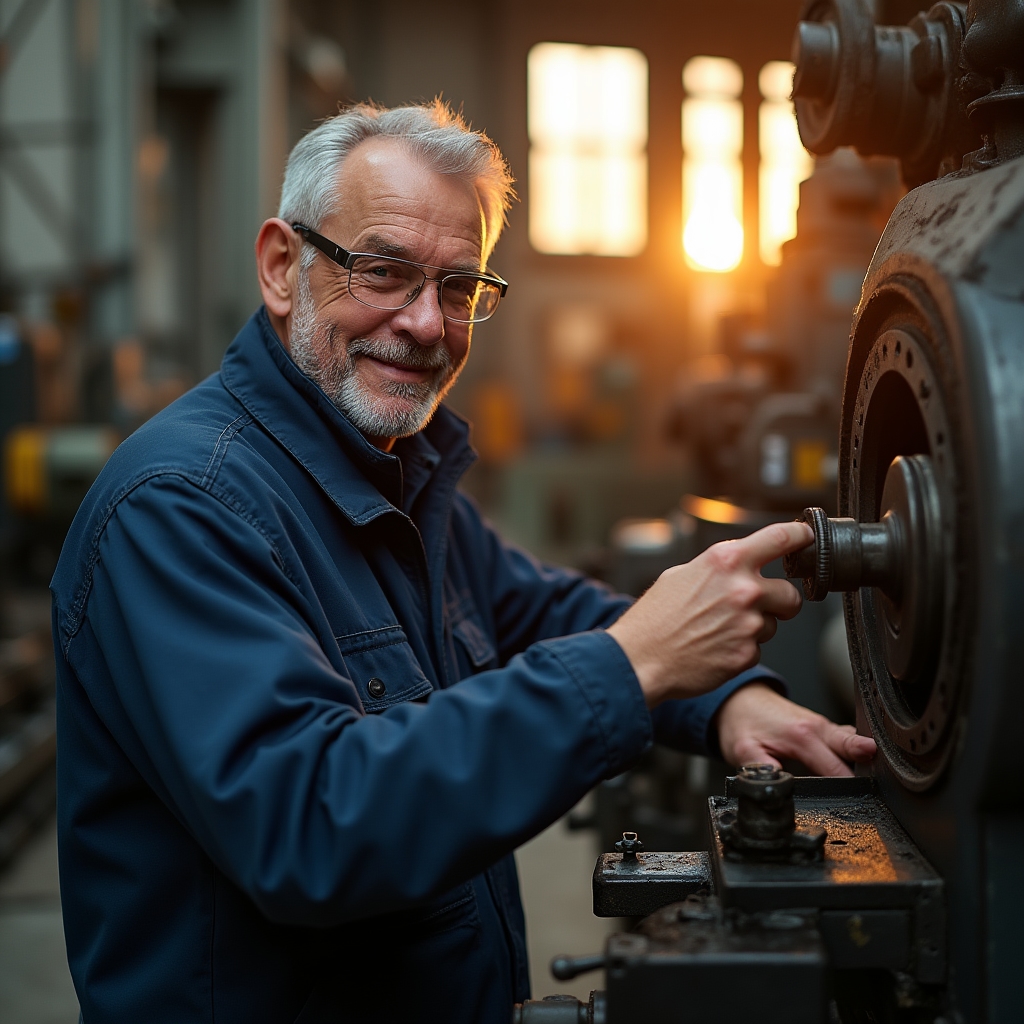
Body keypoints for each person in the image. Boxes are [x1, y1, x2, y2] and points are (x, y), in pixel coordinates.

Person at [51, 101, 875, 1023]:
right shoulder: (180, 506)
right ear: (284, 267)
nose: (425, 324)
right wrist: (634, 663)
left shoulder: (394, 466)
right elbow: (310, 824)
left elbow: (540, 609)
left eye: (458, 287)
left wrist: (726, 696)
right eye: (385, 271)